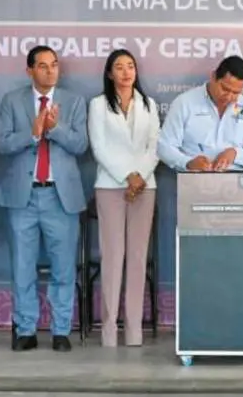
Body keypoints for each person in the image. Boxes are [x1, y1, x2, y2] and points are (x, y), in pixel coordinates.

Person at [0, 45, 88, 352]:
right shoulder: (12, 101)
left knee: (63, 268)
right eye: (43, 66)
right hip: (23, 197)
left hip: (61, 198)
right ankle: (26, 330)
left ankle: (61, 331)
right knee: (23, 267)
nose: (50, 71)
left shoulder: (74, 102)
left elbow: (80, 145)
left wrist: (54, 129)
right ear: (30, 70)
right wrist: (34, 133)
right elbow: (2, 144)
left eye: (54, 65)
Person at [88, 49, 161, 348]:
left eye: (130, 66)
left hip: (145, 186)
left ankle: (133, 330)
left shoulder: (149, 104)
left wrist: (139, 177)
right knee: (113, 256)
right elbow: (99, 147)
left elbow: (155, 145)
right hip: (110, 185)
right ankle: (108, 330)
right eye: (119, 67)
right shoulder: (98, 105)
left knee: (137, 258)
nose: (126, 72)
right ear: (109, 73)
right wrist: (126, 176)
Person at [157, 55, 243, 172]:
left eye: (235, 93)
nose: (229, 97)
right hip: (194, 178)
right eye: (225, 89)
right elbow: (164, 147)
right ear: (213, 77)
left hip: (234, 179)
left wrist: (235, 154)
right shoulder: (185, 103)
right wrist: (187, 163)